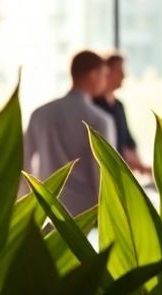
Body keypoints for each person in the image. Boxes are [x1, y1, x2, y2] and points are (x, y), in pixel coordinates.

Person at [24, 50, 117, 215]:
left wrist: (29, 206)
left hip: (47, 211)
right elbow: (103, 176)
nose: (105, 81)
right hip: (87, 215)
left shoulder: (40, 114)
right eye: (104, 75)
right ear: (93, 75)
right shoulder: (100, 120)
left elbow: (24, 162)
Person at [94, 53, 147, 174]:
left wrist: (142, 167)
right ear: (106, 72)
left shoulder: (119, 106)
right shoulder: (93, 106)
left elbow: (128, 142)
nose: (123, 75)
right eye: (119, 70)